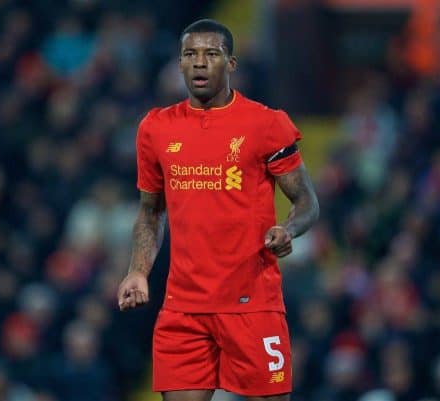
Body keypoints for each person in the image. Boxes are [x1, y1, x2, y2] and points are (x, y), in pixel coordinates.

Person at [117, 19, 320, 401]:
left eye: (211, 54)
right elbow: (150, 212)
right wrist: (137, 271)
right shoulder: (155, 129)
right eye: (190, 55)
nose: (199, 63)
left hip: (252, 305)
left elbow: (307, 202)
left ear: (231, 64)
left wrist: (288, 230)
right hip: (184, 309)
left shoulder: (266, 124)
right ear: (179, 64)